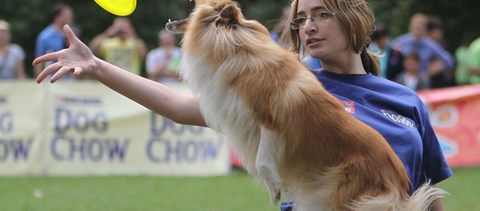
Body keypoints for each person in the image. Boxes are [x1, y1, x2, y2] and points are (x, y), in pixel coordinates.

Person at [33, 0, 451, 210]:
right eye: (301, 19)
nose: (308, 26)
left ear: (353, 19)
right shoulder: (288, 82)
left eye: (321, 14)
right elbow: (182, 107)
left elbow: (430, 193)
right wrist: (99, 67)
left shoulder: (406, 100)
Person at [392, 13, 455, 88]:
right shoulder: (401, 42)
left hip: (422, 83)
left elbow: (449, 61)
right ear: (410, 27)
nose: (418, 28)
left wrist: (437, 68)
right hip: (403, 82)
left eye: (421, 26)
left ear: (425, 29)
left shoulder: (430, 45)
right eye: (416, 26)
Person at [34, 2, 74, 77]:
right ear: (58, 16)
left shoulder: (72, 35)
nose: (70, 17)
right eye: (67, 15)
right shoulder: (45, 37)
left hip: (70, 78)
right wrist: (39, 79)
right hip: (51, 78)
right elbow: (38, 61)